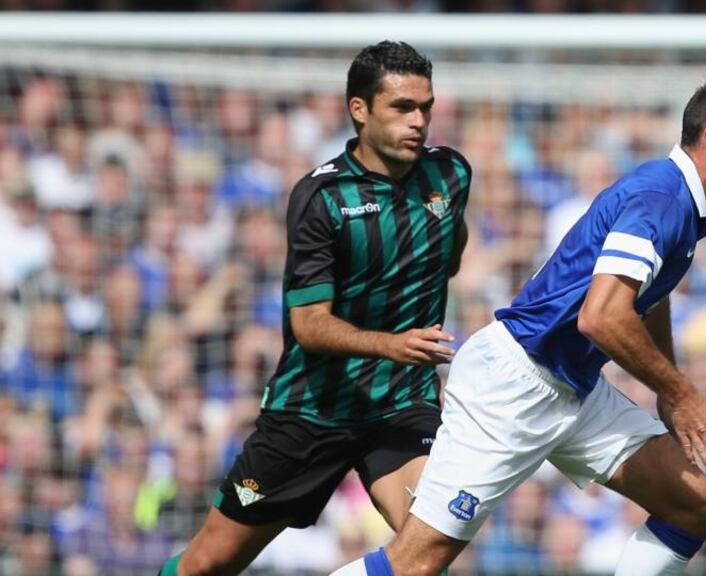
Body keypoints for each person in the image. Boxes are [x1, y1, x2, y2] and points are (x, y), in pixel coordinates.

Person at [333, 73, 706, 576]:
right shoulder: (662, 198)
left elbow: (644, 298)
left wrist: (670, 391)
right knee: (416, 563)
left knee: (694, 503)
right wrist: (682, 391)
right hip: (516, 383)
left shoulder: (681, 202)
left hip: (575, 389)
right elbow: (602, 316)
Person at [159, 40, 472, 576]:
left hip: (401, 405)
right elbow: (309, 325)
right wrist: (391, 344)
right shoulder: (321, 197)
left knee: (432, 545)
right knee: (206, 565)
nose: (418, 121)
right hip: (311, 410)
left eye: (426, 107)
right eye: (402, 108)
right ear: (360, 110)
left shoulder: (450, 175)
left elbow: (450, 249)